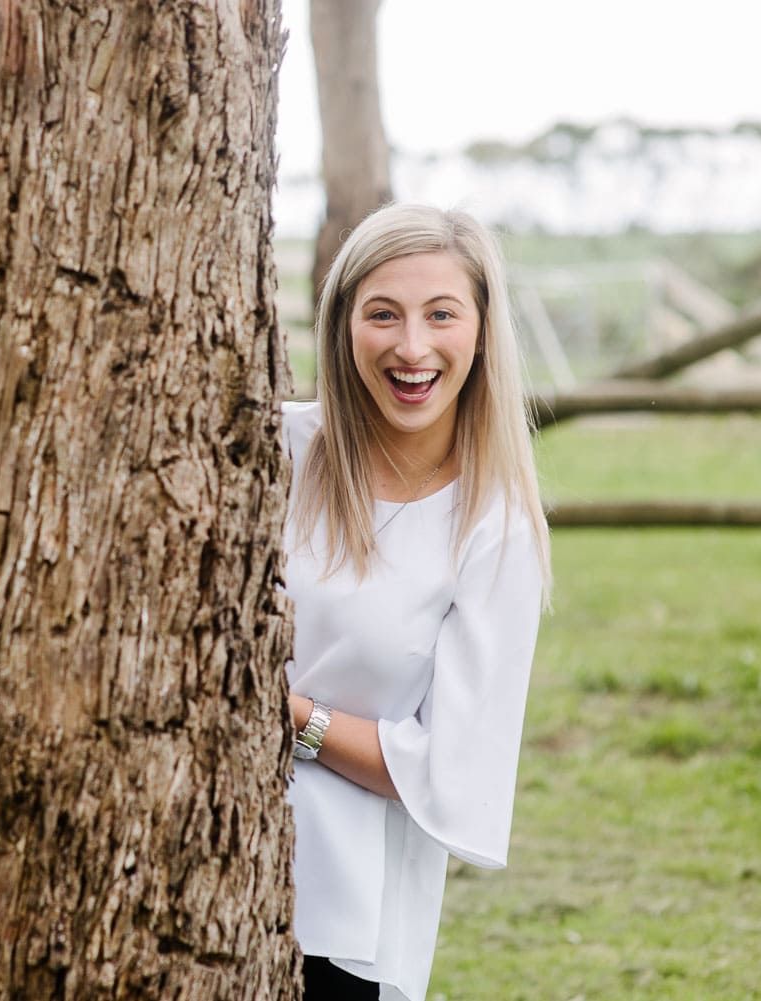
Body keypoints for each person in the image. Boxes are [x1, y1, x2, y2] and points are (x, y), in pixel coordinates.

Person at [282, 203, 552, 1001]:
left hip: (348, 922)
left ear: (481, 330)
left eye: (441, 313)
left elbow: (453, 769)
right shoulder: (277, 449)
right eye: (382, 314)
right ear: (342, 326)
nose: (412, 347)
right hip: (187, 865)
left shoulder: (494, 529)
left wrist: (290, 718)